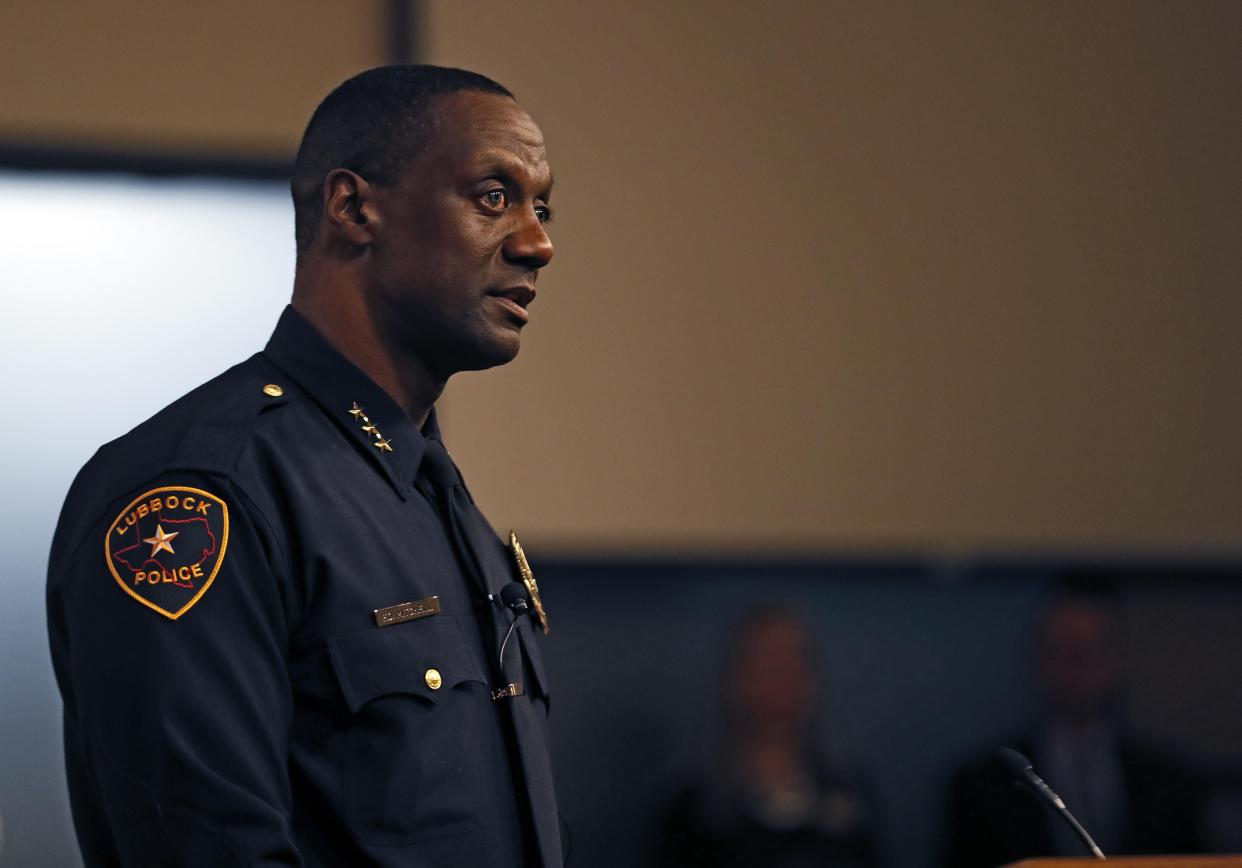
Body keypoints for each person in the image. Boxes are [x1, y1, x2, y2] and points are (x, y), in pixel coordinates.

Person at [46, 65, 563, 867]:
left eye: (542, 206)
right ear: (354, 207)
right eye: (493, 197)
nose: (539, 243)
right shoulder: (202, 494)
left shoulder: (428, 492)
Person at [943, 588, 1202, 867]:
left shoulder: (1169, 781)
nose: (1079, 669)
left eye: (1090, 651)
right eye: (1065, 652)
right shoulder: (985, 783)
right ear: (1040, 661)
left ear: (1118, 659)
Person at [653, 607, 878, 868]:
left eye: (797, 660)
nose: (784, 678)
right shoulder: (693, 812)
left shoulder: (852, 802)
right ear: (736, 679)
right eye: (767, 663)